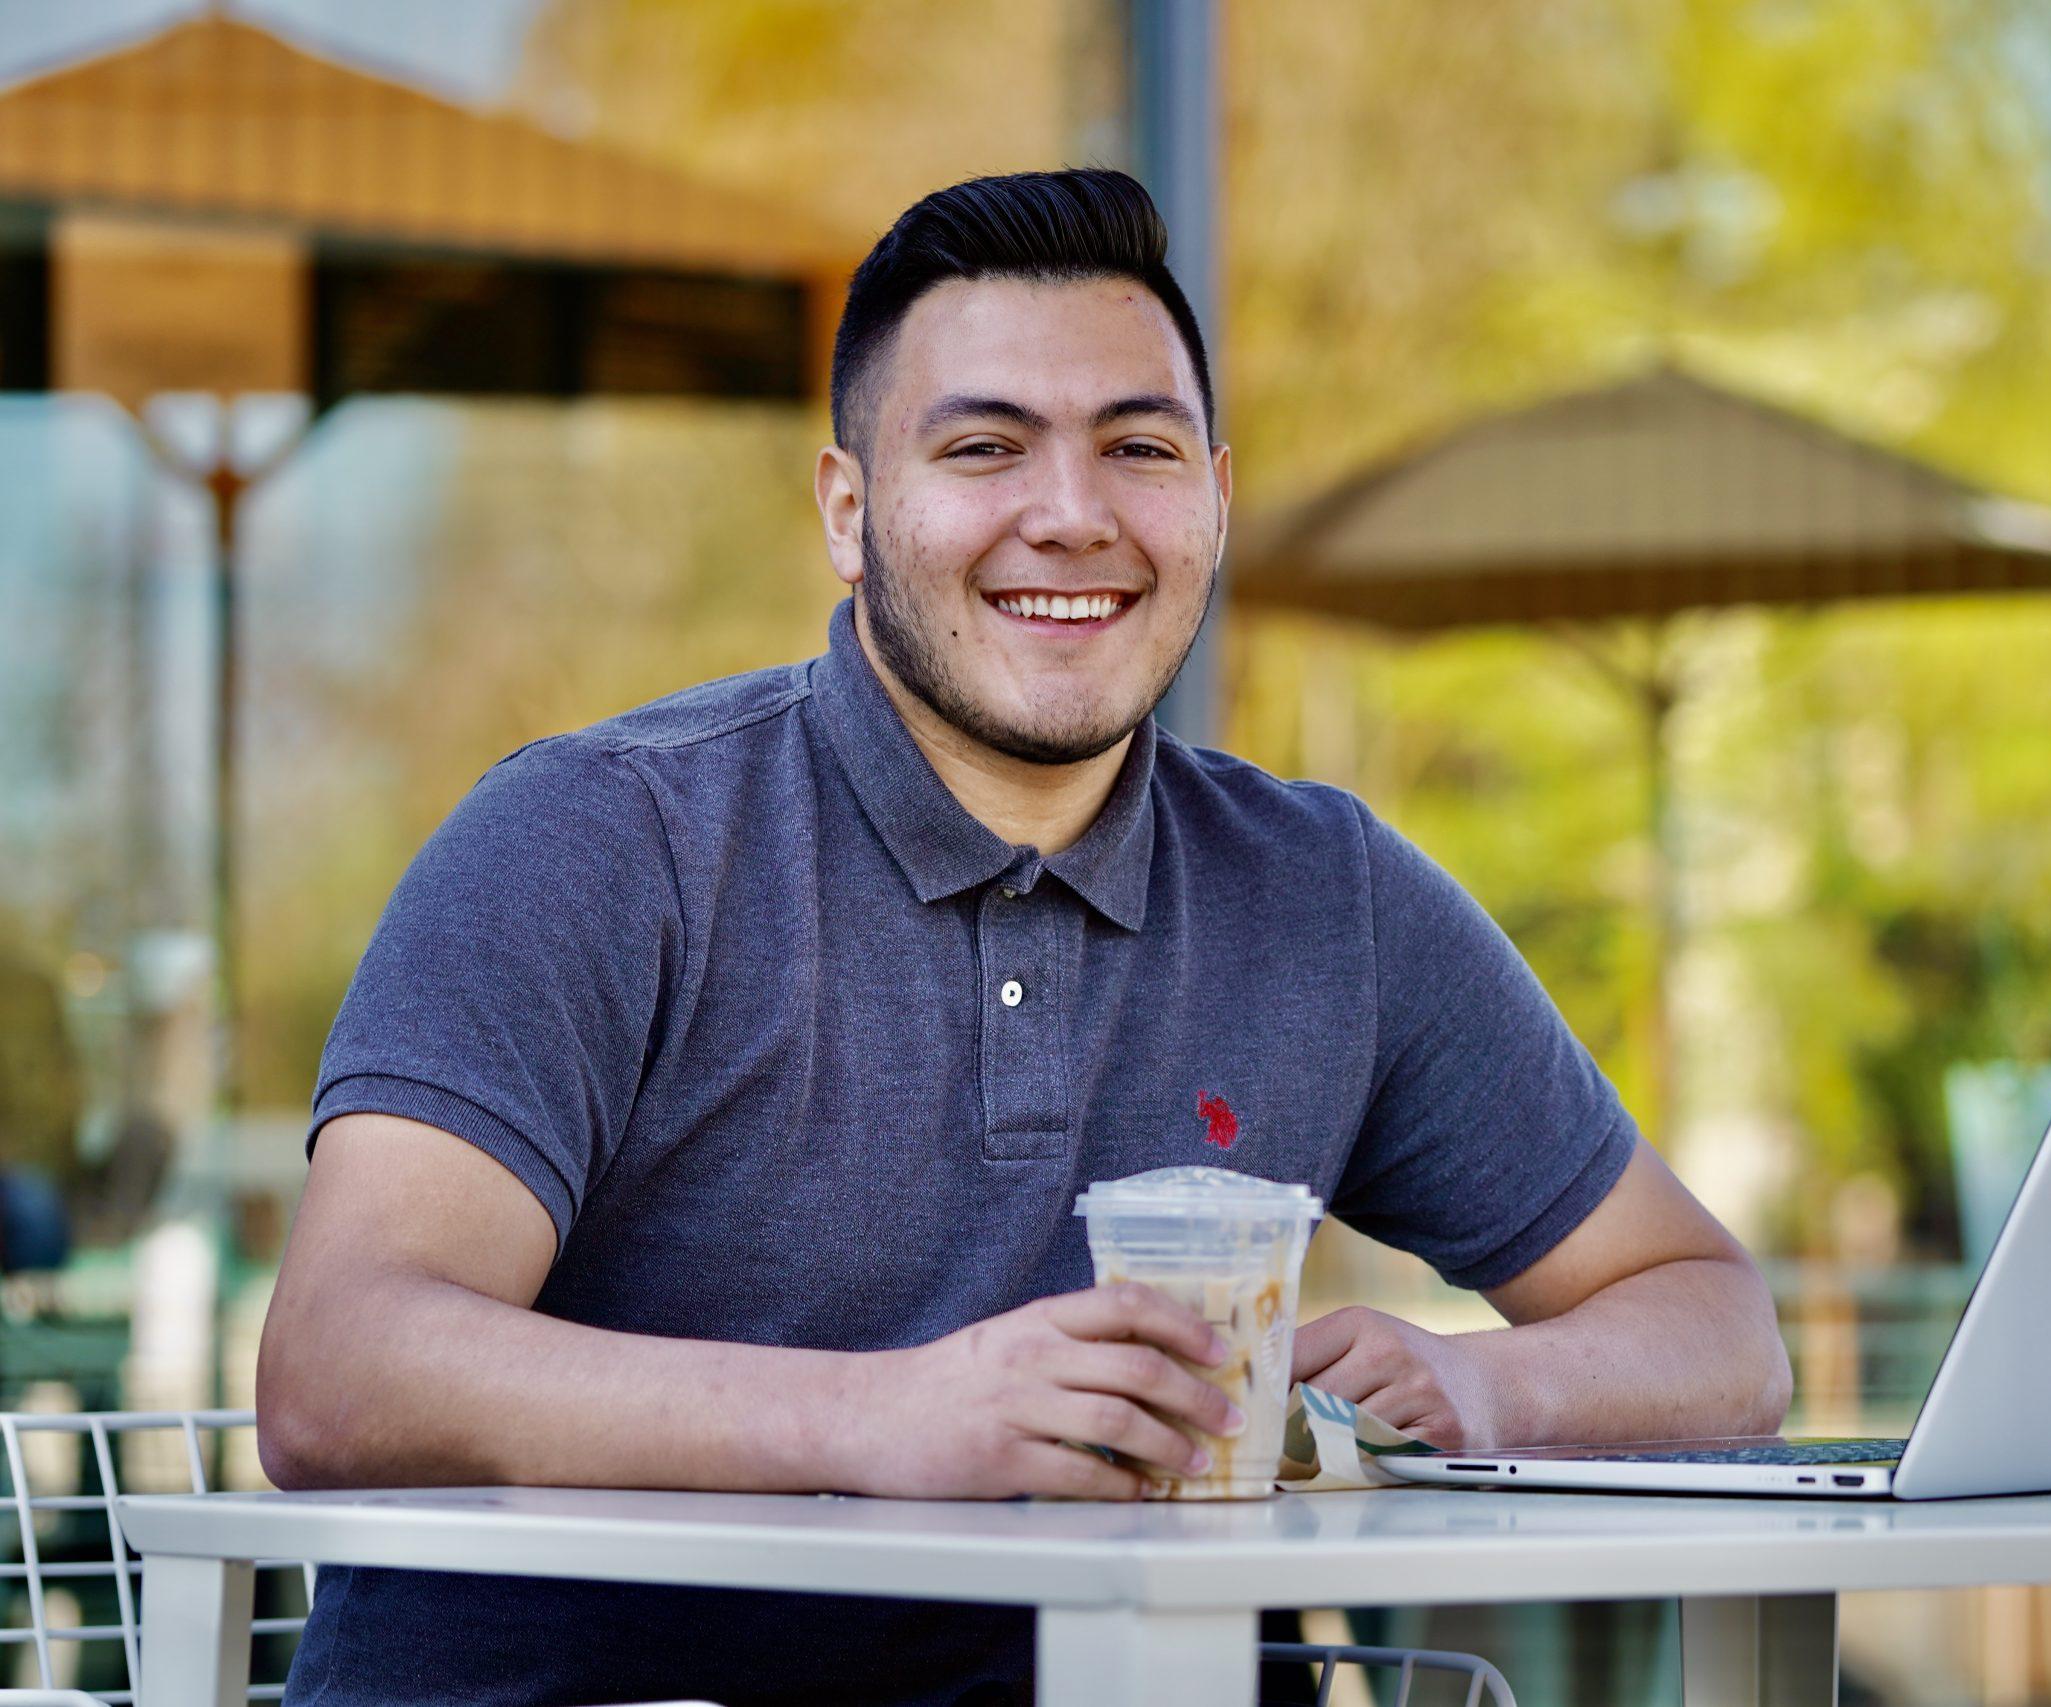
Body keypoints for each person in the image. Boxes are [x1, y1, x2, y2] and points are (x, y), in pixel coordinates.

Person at [257, 168, 1790, 1707]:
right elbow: (339, 1365)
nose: (1072, 516)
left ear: (1215, 500)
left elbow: (1717, 1330)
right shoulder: (600, 840)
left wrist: (1482, 1379)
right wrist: (881, 1421)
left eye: (1139, 448)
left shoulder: (1333, 896)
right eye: (985, 449)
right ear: (851, 513)